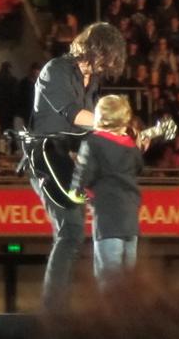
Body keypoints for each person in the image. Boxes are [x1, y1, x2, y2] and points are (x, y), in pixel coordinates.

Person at [29, 22, 125, 310]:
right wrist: (112, 124)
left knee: (74, 233)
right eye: (107, 56)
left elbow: (90, 130)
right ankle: (53, 308)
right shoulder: (55, 70)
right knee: (70, 230)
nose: (108, 64)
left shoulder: (92, 82)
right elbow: (73, 115)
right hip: (46, 156)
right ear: (94, 48)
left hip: (70, 159)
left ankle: (63, 305)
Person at [68, 95, 143, 290]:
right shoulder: (131, 146)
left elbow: (84, 174)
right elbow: (139, 167)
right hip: (130, 222)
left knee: (108, 280)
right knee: (129, 282)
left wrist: (75, 192)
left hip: (108, 219)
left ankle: (111, 319)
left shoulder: (93, 143)